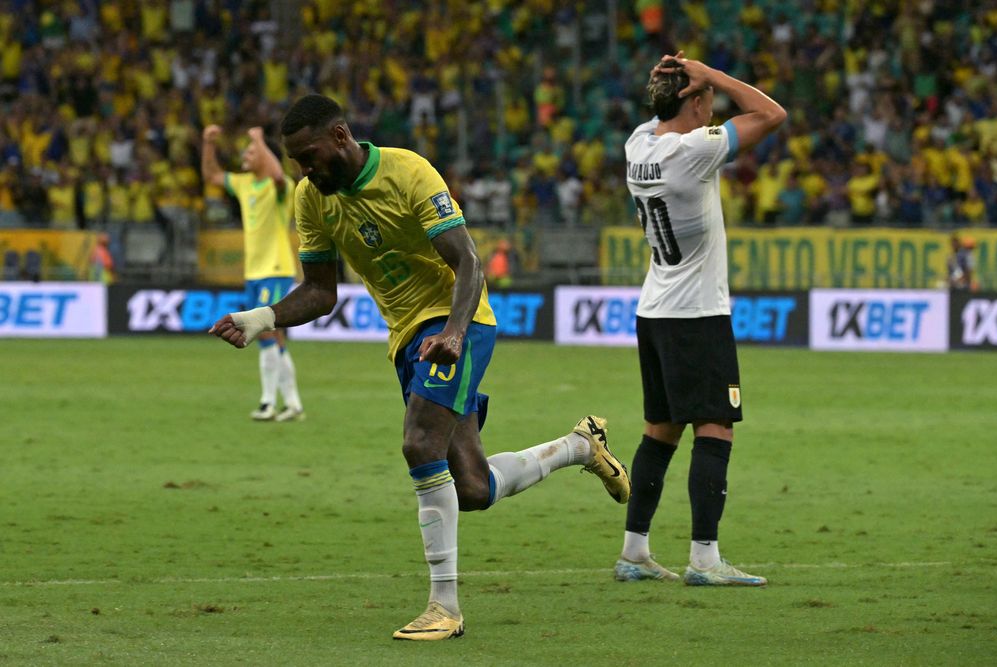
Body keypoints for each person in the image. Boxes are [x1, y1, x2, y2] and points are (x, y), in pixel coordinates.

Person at [208, 94, 632, 640]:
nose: (304, 171)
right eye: (296, 162)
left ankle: (445, 607)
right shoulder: (312, 199)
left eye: (309, 156)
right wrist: (262, 317)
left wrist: (454, 332)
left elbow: (469, 262)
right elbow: (319, 291)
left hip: (459, 322)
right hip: (408, 339)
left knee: (419, 444)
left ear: (340, 136)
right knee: (473, 487)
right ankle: (581, 446)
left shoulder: (408, 172)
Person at [614, 52, 786, 586]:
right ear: (694, 100)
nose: (713, 106)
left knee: (659, 433)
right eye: (706, 97)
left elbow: (660, 116)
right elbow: (772, 114)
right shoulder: (693, 151)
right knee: (716, 428)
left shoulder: (638, 144)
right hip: (697, 313)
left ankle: (634, 551)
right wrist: (710, 73)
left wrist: (673, 83)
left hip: (654, 310)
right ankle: (705, 560)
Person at [202, 124, 305, 422]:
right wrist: (207, 144)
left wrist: (259, 140)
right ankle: (294, 404)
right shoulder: (244, 184)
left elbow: (275, 175)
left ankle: (267, 402)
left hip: (275, 268)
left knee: (263, 331)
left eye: (251, 151)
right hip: (254, 271)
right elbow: (211, 175)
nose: (246, 155)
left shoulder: (280, 186)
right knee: (277, 337)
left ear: (265, 154)